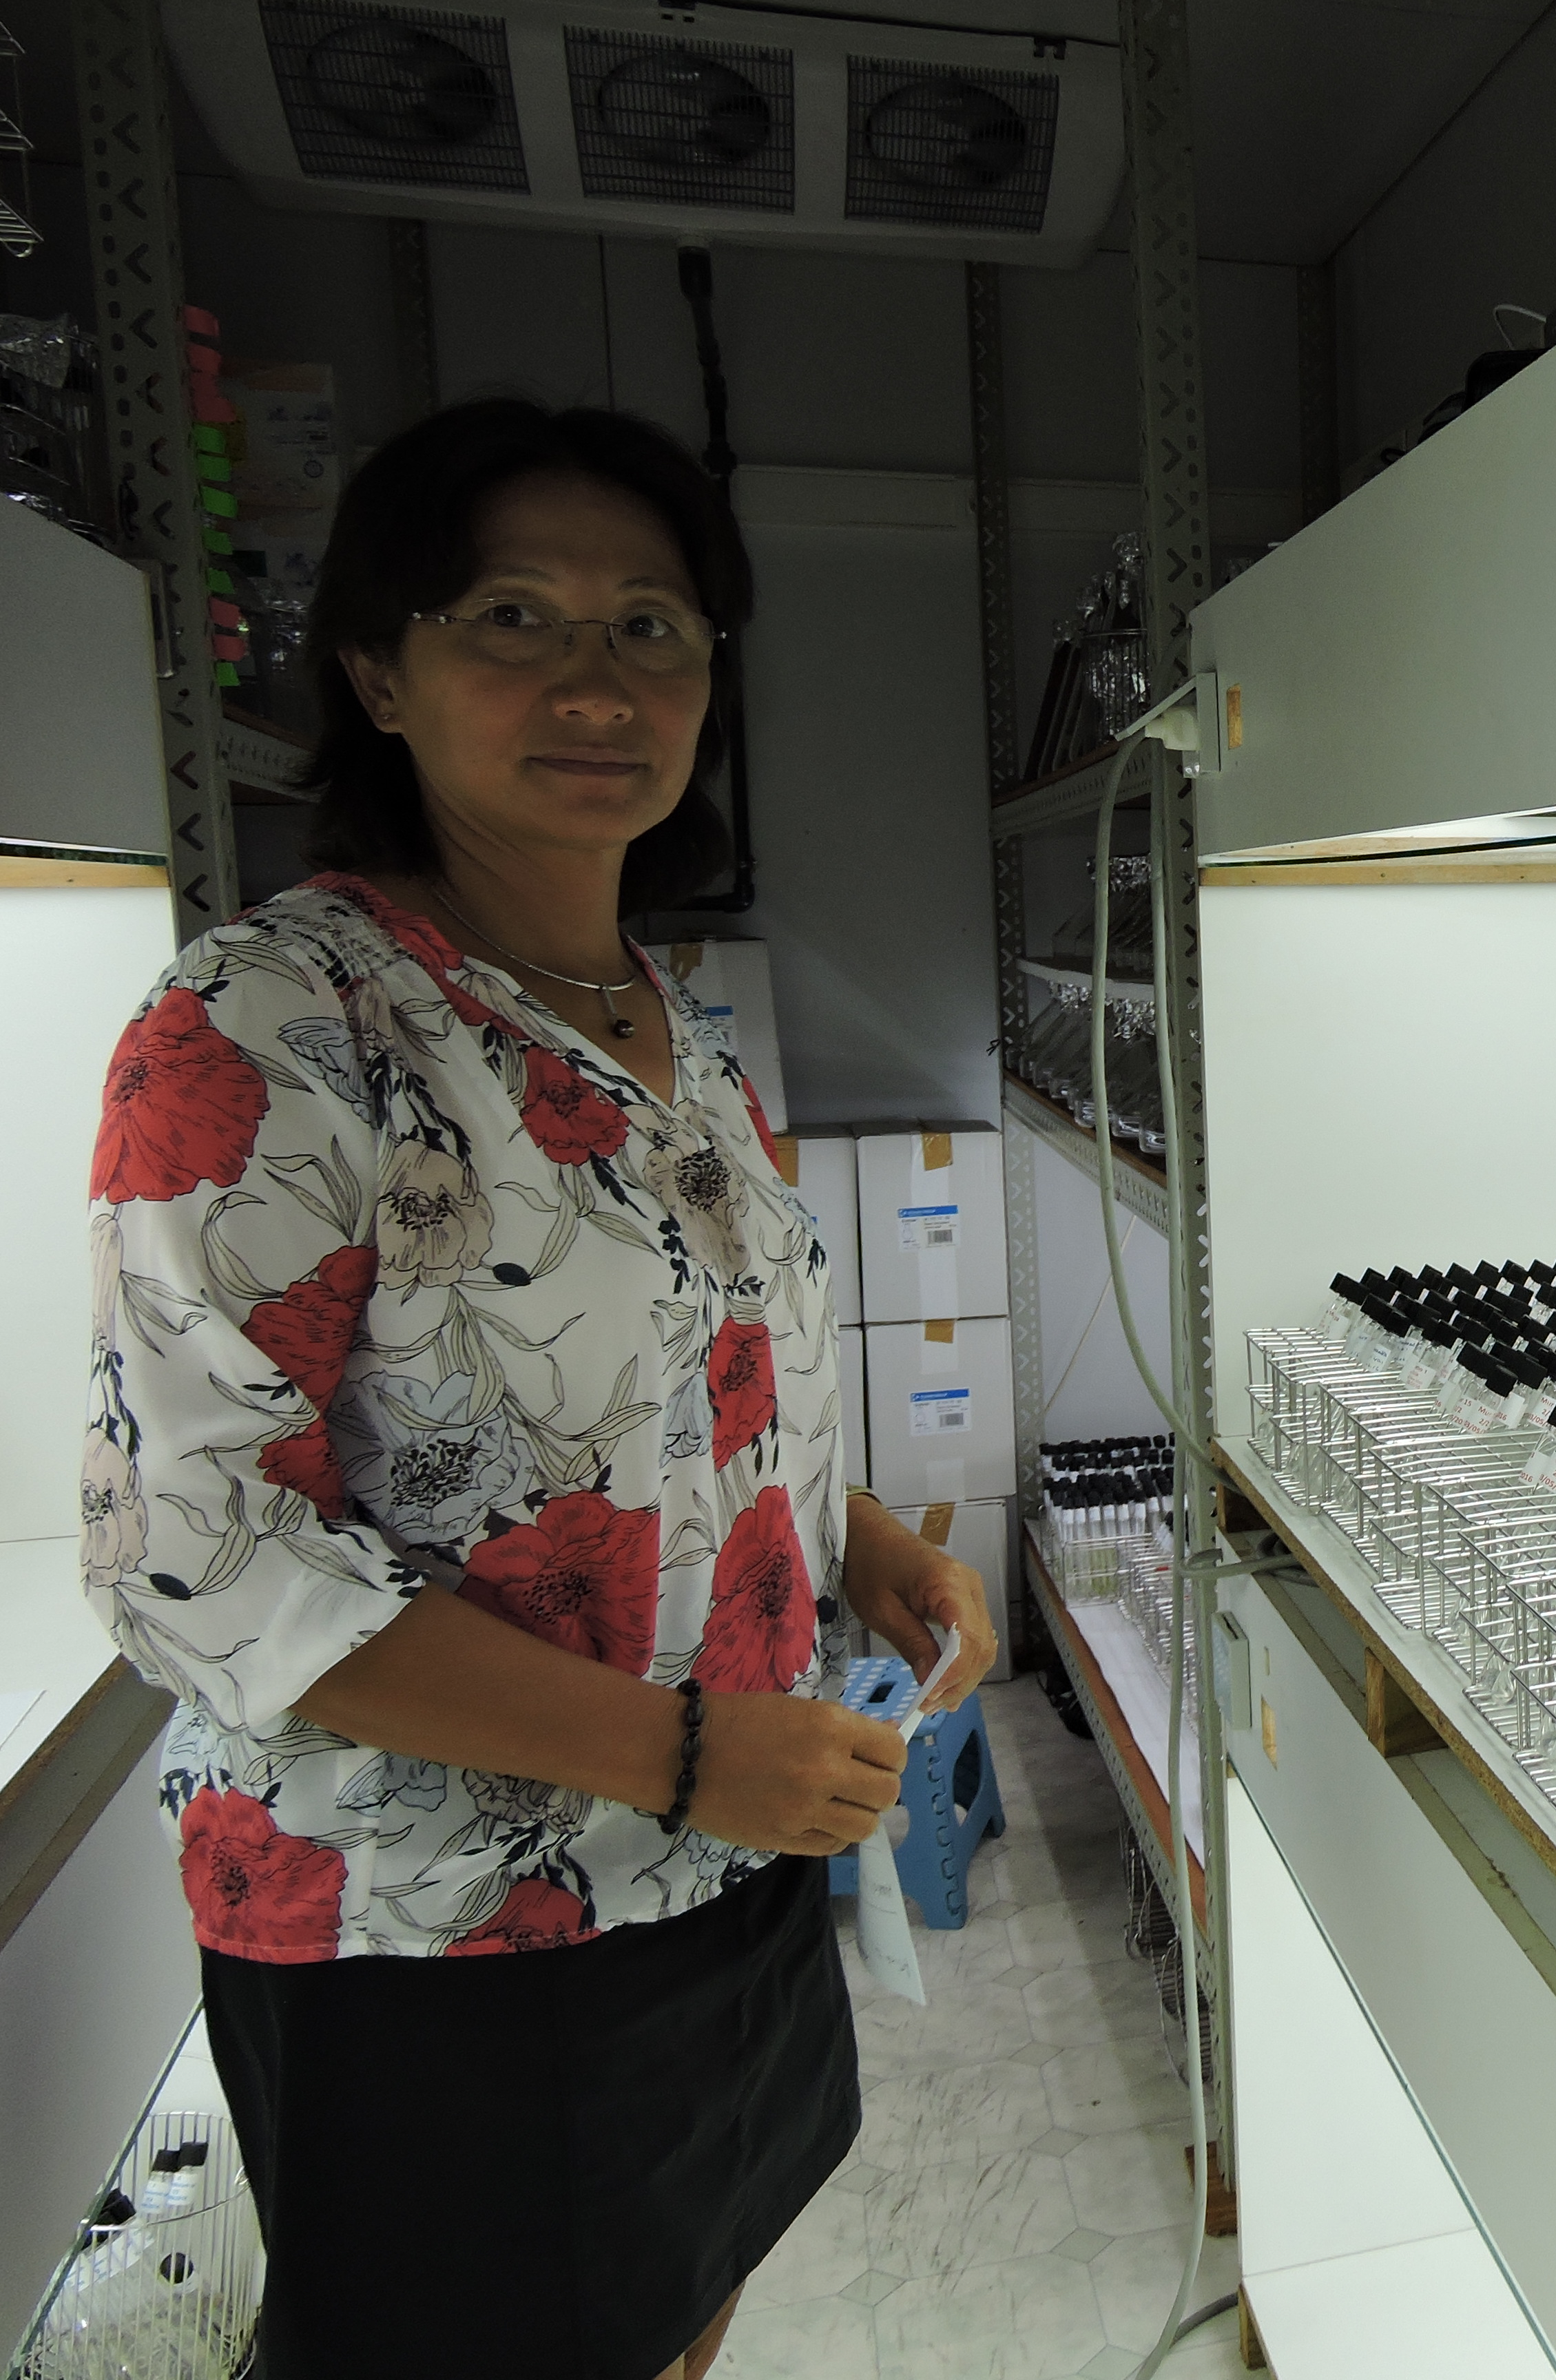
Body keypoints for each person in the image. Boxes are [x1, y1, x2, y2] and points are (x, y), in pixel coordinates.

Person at [79, 397, 999, 2379]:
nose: (597, 682)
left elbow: (701, 1383)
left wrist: (854, 1553)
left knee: (683, 2311)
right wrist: (680, 1757)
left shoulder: (668, 1021)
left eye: (654, 627)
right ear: (376, 674)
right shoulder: (268, 1022)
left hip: (730, 1852)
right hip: (442, 1933)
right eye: (514, 615)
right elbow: (197, 1555)